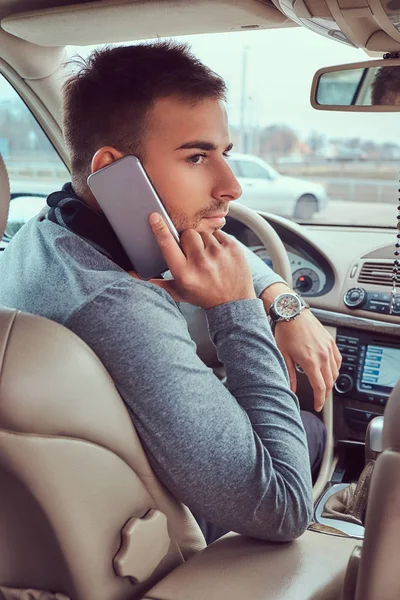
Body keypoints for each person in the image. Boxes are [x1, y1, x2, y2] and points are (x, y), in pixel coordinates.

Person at [0, 42, 341, 544]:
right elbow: (283, 507)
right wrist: (236, 308)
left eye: (224, 154)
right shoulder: (115, 308)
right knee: (309, 427)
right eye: (198, 157)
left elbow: (192, 237)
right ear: (114, 170)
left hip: (64, 515)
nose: (231, 186)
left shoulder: (45, 231)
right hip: (157, 540)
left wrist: (283, 303)